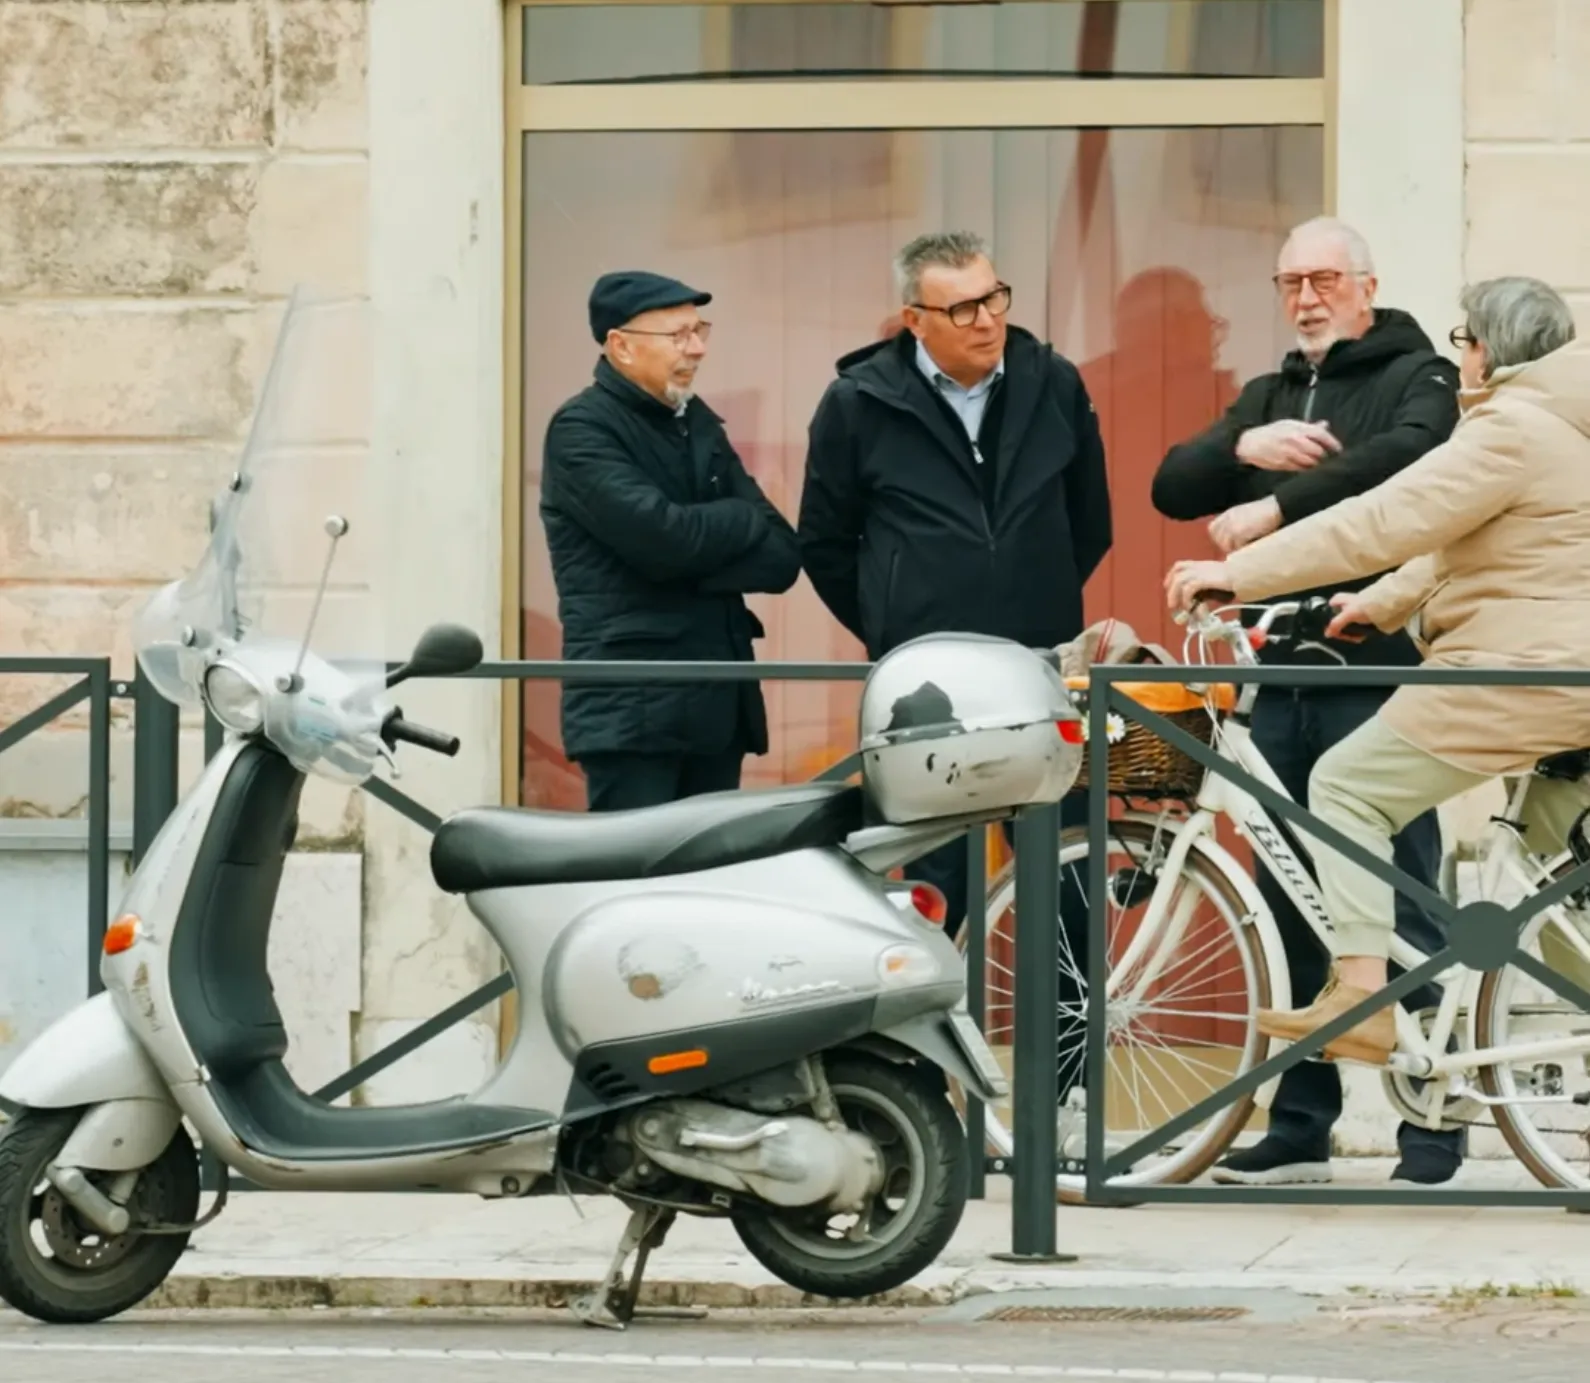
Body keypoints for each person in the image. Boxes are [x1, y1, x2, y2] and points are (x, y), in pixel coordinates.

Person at [1165, 275, 1590, 1098]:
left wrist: (1237, 571)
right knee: (1551, 875)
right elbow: (1464, 542)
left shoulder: (1510, 430)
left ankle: (1361, 995)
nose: (1457, 351)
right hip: (1567, 675)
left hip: (1517, 673)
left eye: (1463, 337)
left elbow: (1386, 519)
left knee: (1348, 785)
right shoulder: (1568, 427)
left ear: (1491, 348)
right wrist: (1378, 602)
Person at [1151, 216, 1465, 1187]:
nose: (1306, 297)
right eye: (1289, 281)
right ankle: (1299, 1123)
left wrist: (1275, 506)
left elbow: (1408, 462)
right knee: (1287, 896)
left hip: (1371, 664)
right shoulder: (1276, 389)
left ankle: (1435, 1120)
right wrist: (1250, 439)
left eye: (1325, 277)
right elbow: (1175, 482)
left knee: (1401, 884)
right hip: (1275, 673)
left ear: (1366, 286)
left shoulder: (1419, 375)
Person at [797, 229, 1111, 1132]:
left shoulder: (1054, 381)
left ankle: (1061, 1098)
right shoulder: (858, 401)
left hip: (1039, 668)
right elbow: (825, 540)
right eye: (965, 307)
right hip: (926, 695)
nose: (989, 319)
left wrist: (1037, 601)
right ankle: (920, 1099)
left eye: (996, 296)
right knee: (927, 888)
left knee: (1064, 876)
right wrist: (898, 632)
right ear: (915, 318)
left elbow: (1089, 519)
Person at [540, 270, 801, 812]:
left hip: (715, 703)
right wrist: (731, 519)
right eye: (678, 335)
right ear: (622, 346)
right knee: (633, 885)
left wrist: (681, 554)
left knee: (703, 889)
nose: (698, 348)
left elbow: (780, 557)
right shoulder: (581, 429)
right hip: (632, 710)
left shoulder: (697, 421)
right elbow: (664, 542)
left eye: (700, 330)